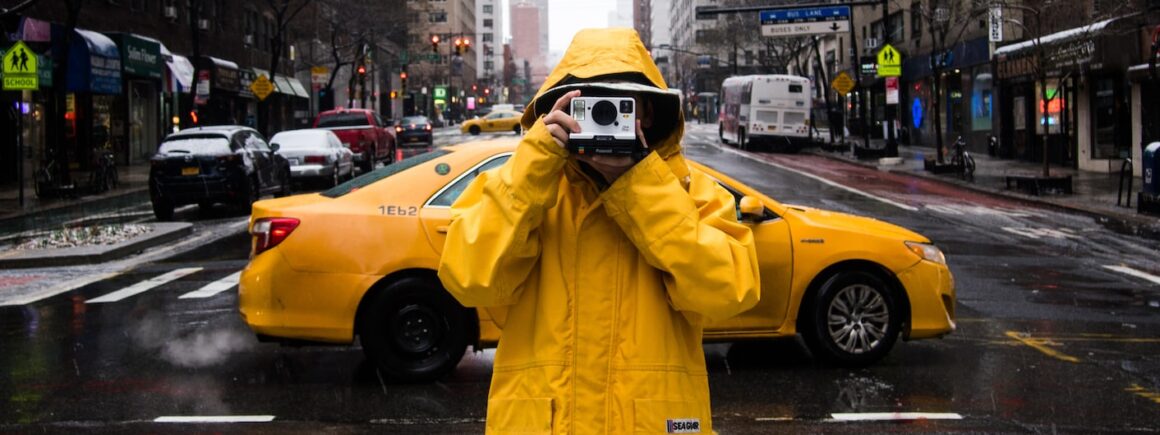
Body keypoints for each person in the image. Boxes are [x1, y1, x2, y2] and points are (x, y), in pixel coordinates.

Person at [438, 28, 760, 434]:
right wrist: (536, 161)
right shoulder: (523, 184)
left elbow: (729, 292)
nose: (605, 118)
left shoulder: (691, 192)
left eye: (621, 106)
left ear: (648, 115)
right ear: (558, 109)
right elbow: (469, 280)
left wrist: (641, 185)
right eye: (589, 106)